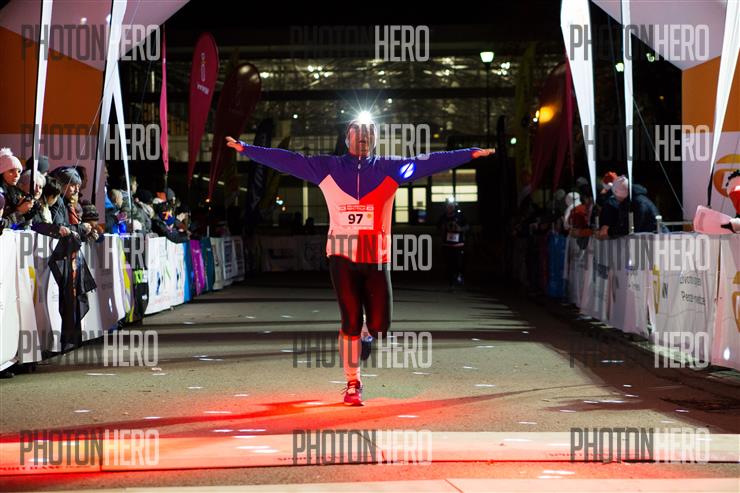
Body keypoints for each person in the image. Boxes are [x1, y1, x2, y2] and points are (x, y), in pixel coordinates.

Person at [226, 115, 493, 405]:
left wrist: (469, 154)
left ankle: (368, 330)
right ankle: (353, 382)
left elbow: (428, 162)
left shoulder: (391, 168)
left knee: (380, 327)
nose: (363, 135)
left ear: (375, 138)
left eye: (369, 131)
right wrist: (247, 149)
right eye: (357, 130)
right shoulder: (327, 167)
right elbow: (288, 160)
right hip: (341, 255)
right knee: (350, 320)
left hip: (376, 257)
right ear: (347, 137)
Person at [438, 200, 469, 289]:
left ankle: (459, 275)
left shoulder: (460, 216)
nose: (450, 208)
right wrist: (443, 228)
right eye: (448, 206)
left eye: (451, 206)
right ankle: (451, 283)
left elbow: (467, 227)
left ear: (454, 207)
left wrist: (460, 229)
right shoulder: (443, 217)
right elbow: (438, 227)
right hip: (447, 245)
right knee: (449, 265)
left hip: (458, 244)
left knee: (459, 263)